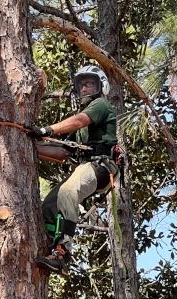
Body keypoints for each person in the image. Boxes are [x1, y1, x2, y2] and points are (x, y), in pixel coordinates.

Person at [28, 65, 118, 276]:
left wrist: (46, 130)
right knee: (49, 205)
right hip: (85, 168)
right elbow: (61, 152)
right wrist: (27, 144)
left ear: (100, 86)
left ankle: (63, 252)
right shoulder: (80, 128)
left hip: (101, 167)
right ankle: (50, 247)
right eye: (82, 85)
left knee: (68, 192)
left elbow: (79, 121)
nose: (85, 89)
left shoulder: (101, 105)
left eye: (90, 84)